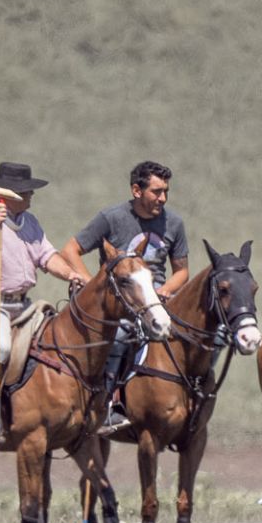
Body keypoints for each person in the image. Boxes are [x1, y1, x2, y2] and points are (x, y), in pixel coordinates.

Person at [58, 160, 190, 436]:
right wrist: (89, 284)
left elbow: (182, 271)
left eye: (166, 191)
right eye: (156, 191)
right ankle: (109, 404)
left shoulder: (174, 223)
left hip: (156, 300)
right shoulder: (111, 218)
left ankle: (195, 402)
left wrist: (165, 290)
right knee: (119, 338)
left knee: (200, 336)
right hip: (121, 301)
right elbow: (70, 250)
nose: (163, 198)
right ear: (136, 190)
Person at [0, 162, 88, 443]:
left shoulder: (29, 222)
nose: (32, 195)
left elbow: (47, 256)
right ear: (11, 194)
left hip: (23, 305)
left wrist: (70, 274)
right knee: (1, 347)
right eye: (27, 191)